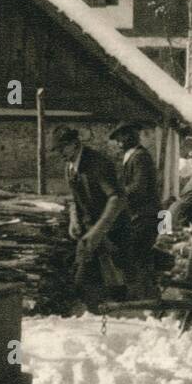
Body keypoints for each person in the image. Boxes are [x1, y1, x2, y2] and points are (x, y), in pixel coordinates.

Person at [53, 124, 128, 309]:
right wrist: (74, 219)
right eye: (58, 149)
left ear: (75, 144)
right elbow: (73, 198)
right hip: (88, 228)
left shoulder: (97, 164)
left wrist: (97, 232)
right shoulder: (70, 167)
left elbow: (116, 199)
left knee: (101, 277)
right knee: (85, 276)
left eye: (63, 147)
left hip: (113, 227)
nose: (61, 153)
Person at [109, 122, 161, 299]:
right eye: (117, 140)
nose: (118, 143)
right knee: (138, 255)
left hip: (144, 215)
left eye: (120, 138)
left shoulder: (139, 157)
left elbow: (139, 187)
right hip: (137, 214)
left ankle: (147, 298)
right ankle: (144, 295)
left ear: (130, 136)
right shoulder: (132, 157)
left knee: (140, 255)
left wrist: (117, 197)